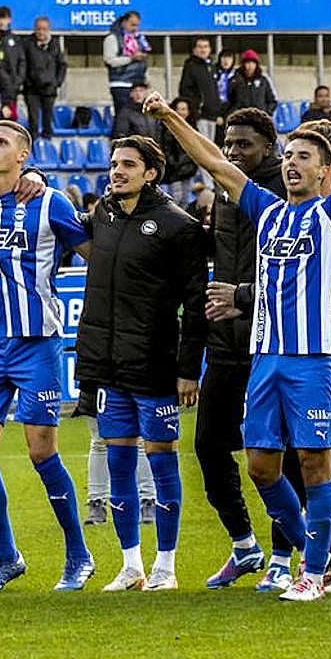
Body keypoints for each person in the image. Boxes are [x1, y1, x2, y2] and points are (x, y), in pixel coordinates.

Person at [146, 89, 331, 601]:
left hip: (313, 361)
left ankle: (315, 574)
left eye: (304, 158)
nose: (293, 165)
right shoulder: (268, 212)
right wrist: (168, 116)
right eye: (290, 156)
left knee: (316, 465)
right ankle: (315, 555)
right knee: (261, 467)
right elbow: (213, 162)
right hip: (264, 360)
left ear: (325, 170)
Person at [0, 120, 96, 591]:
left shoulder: (50, 202)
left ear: (24, 155)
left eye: (1, 142)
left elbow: (96, 255)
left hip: (38, 343)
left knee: (42, 450)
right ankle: (7, 556)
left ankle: (78, 554)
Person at [74, 132, 207, 592]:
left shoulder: (179, 226)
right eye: (114, 164)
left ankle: (165, 566)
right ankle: (131, 565)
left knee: (163, 462)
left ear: (151, 173)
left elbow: (195, 304)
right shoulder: (103, 213)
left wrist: (189, 369)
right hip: (108, 366)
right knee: (119, 465)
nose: (116, 171)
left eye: (128, 165)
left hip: (154, 364)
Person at [184, 108, 286, 588]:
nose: (233, 152)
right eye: (228, 143)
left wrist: (244, 300)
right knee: (208, 446)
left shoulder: (287, 191)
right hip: (226, 344)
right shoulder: (225, 195)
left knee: (278, 453)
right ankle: (245, 546)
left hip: (276, 344)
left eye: (244, 144)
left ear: (270, 145)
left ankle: (287, 555)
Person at [103, 11, 149, 137]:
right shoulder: (112, 38)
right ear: (124, 22)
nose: (135, 28)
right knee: (123, 117)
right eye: (132, 24)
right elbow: (110, 60)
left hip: (137, 83)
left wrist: (146, 77)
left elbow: (144, 61)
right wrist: (131, 58)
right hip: (120, 83)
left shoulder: (139, 39)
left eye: (137, 25)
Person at [22, 16, 65, 141]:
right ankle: (33, 146)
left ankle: (47, 145)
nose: (41, 32)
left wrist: (57, 82)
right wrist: (27, 81)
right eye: (39, 29)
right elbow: (23, 64)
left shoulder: (55, 45)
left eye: (44, 29)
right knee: (33, 121)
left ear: (49, 30)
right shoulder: (27, 43)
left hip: (49, 89)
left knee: (47, 120)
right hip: (31, 90)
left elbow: (62, 65)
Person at [178, 37, 223, 144]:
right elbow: (185, 89)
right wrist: (197, 108)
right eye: (200, 47)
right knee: (204, 147)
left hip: (214, 117)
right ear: (194, 50)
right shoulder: (191, 66)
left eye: (205, 47)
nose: (203, 50)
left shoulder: (211, 67)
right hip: (201, 116)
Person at [226, 50, 277, 116]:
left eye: (253, 63)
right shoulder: (235, 80)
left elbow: (272, 101)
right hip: (241, 120)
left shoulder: (263, 81)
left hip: (259, 120)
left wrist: (266, 113)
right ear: (243, 64)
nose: (250, 66)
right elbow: (229, 100)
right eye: (247, 63)